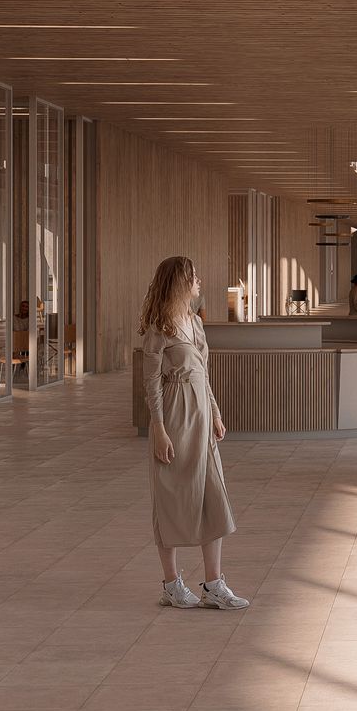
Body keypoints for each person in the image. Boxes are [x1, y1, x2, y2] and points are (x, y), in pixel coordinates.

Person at [138, 255, 249, 611]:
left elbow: (203, 372)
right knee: (171, 496)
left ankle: (213, 584)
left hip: (201, 414)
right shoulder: (160, 329)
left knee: (212, 495)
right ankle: (171, 584)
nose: (199, 281)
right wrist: (158, 429)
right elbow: (151, 383)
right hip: (174, 415)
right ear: (179, 282)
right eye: (194, 277)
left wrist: (215, 413)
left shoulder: (195, 323)